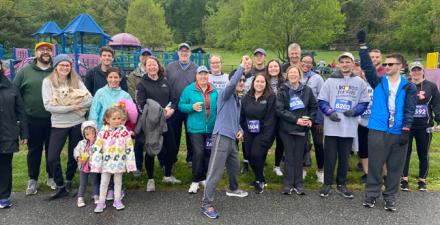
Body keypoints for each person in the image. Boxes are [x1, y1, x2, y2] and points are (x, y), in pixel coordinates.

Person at [357, 31, 417, 211]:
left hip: (398, 131)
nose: (387, 66)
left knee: (395, 167)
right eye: (385, 63)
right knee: (375, 165)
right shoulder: (379, 82)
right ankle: (371, 195)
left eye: (390, 64)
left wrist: (406, 129)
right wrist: (362, 47)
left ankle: (390, 197)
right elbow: (368, 68)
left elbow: (410, 110)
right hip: (377, 129)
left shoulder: (409, 86)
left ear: (401, 66)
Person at [200, 56, 250, 219]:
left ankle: (233, 189)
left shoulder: (238, 100)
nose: (241, 82)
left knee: (234, 166)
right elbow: (232, 83)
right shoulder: (224, 94)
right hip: (221, 136)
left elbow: (235, 120)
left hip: (232, 139)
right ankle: (206, 203)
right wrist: (242, 66)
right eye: (239, 80)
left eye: (243, 80)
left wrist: (240, 130)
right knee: (215, 171)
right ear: (232, 82)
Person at [317, 52, 370, 199]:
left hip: (349, 127)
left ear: (353, 64)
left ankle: (342, 184)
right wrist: (329, 112)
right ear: (339, 64)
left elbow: (364, 102)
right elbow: (322, 100)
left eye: (348, 62)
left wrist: (355, 111)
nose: (345, 64)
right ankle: (327, 184)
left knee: (344, 158)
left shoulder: (359, 82)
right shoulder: (330, 81)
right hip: (332, 126)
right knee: (330, 157)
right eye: (343, 62)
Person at [42, 54, 92, 200]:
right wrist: (70, 107)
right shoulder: (48, 82)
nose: (65, 68)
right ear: (56, 67)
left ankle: (69, 181)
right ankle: (60, 185)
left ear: (71, 67)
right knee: (52, 156)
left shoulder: (76, 80)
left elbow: (89, 99)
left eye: (67, 65)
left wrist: (73, 106)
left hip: (77, 122)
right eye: (61, 65)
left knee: (74, 154)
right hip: (59, 124)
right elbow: (48, 106)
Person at [13, 42, 55, 195]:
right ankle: (33, 180)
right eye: (42, 50)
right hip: (32, 119)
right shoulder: (24, 72)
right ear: (36, 52)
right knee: (34, 150)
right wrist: (17, 118)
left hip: (54, 119)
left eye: (48, 50)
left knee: (52, 150)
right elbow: (14, 94)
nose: (45, 52)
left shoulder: (57, 71)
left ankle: (52, 177)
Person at [136, 57, 181, 191]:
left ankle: (167, 175)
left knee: (172, 149)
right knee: (150, 151)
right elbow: (140, 105)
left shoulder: (165, 82)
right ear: (145, 67)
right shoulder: (142, 84)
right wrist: (155, 115)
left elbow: (174, 99)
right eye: (149, 65)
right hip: (151, 124)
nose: (152, 67)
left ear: (158, 66)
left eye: (154, 64)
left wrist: (172, 109)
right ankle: (150, 179)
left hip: (166, 122)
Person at [276, 65, 316, 195]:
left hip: (302, 129)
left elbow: (313, 107)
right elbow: (279, 110)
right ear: (287, 76)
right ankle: (288, 184)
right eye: (290, 73)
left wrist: (310, 119)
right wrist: (295, 120)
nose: (293, 75)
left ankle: (298, 184)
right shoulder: (282, 90)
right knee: (289, 155)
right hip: (286, 129)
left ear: (299, 75)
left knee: (299, 156)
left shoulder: (307, 90)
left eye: (295, 73)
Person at [401, 61, 440, 192]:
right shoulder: (405, 85)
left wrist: (439, 121)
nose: (416, 72)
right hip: (408, 125)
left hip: (425, 126)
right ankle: (404, 179)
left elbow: (437, 105)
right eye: (413, 70)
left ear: (423, 71)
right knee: (405, 152)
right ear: (410, 72)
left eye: (418, 70)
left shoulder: (431, 86)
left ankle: (422, 181)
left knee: (423, 153)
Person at [179, 65, 218, 194]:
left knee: (208, 153)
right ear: (196, 76)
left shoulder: (214, 90)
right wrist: (191, 107)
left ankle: (203, 177)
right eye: (200, 74)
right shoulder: (189, 90)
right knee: (198, 153)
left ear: (208, 76)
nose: (203, 76)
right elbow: (181, 106)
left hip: (210, 128)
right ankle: (195, 181)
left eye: (205, 74)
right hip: (195, 128)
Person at [90, 107, 137, 213]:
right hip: (106, 163)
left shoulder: (125, 132)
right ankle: (101, 202)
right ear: (107, 119)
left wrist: (130, 164)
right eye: (114, 118)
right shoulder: (102, 133)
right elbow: (97, 148)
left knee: (118, 182)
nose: (117, 121)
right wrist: (96, 163)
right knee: (104, 182)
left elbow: (129, 148)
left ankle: (117, 200)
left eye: (119, 118)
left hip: (119, 162)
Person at [240, 74, 276, 193]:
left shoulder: (270, 97)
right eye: (257, 81)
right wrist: (241, 130)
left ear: (266, 84)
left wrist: (267, 137)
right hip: (249, 131)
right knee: (249, 155)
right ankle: (260, 178)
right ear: (253, 83)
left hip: (263, 132)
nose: (259, 84)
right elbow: (242, 116)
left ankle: (259, 180)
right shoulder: (246, 97)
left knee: (256, 155)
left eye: (262, 82)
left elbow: (271, 119)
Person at [0, 60, 28, 208]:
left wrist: (24, 133)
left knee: (5, 165)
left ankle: (4, 196)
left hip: (7, 133)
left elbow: (21, 111)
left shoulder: (11, 87)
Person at [166, 43, 197, 166]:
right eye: (181, 51)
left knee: (191, 134)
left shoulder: (196, 68)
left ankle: (190, 158)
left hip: (190, 107)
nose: (184, 53)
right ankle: (173, 158)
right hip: (174, 107)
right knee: (174, 134)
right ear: (178, 53)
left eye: (186, 51)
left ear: (190, 53)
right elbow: (166, 85)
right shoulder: (170, 67)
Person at [301, 54, 325, 183]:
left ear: (313, 64)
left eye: (309, 62)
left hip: (316, 117)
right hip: (302, 116)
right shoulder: (296, 76)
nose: (306, 64)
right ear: (300, 62)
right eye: (304, 61)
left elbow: (323, 99)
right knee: (303, 144)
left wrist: (321, 120)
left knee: (318, 144)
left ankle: (320, 170)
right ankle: (303, 168)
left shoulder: (318, 78)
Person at [353, 60, 373, 184]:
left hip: (375, 121)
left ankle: (384, 174)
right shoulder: (357, 83)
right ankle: (367, 173)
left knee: (377, 148)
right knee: (363, 148)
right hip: (360, 121)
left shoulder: (377, 84)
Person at [264, 59, 285, 177]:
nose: (273, 68)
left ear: (279, 68)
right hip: (268, 116)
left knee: (280, 142)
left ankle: (276, 166)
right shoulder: (264, 81)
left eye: (275, 66)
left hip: (281, 116)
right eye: (270, 66)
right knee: (266, 141)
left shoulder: (284, 81)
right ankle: (261, 163)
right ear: (268, 68)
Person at [73, 121, 99, 207]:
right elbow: (76, 151)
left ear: (95, 132)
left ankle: (96, 195)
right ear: (84, 134)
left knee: (95, 182)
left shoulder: (98, 143)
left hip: (94, 167)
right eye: (87, 134)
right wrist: (78, 157)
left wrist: (93, 144)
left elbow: (100, 152)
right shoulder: (81, 143)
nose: (90, 136)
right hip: (83, 167)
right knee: (82, 183)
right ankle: (80, 198)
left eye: (92, 134)